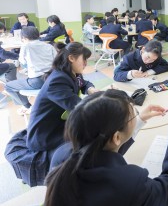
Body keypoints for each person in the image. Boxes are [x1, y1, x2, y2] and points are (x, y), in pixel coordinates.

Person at [44, 90, 168, 206]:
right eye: (133, 115)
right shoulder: (129, 182)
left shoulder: (61, 155)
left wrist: (140, 120)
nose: (136, 115)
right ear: (116, 137)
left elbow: (106, 148)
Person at [4, 42, 98, 186]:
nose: (86, 63)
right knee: (91, 135)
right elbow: (79, 108)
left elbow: (83, 83)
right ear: (71, 58)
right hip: (46, 134)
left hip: (58, 123)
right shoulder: (58, 80)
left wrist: (91, 89)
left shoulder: (69, 73)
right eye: (83, 59)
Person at [5, 27, 57, 115]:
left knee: (9, 86)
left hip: (37, 81)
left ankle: (27, 106)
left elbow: (22, 62)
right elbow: (56, 61)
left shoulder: (26, 46)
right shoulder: (49, 46)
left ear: (24, 38)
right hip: (53, 78)